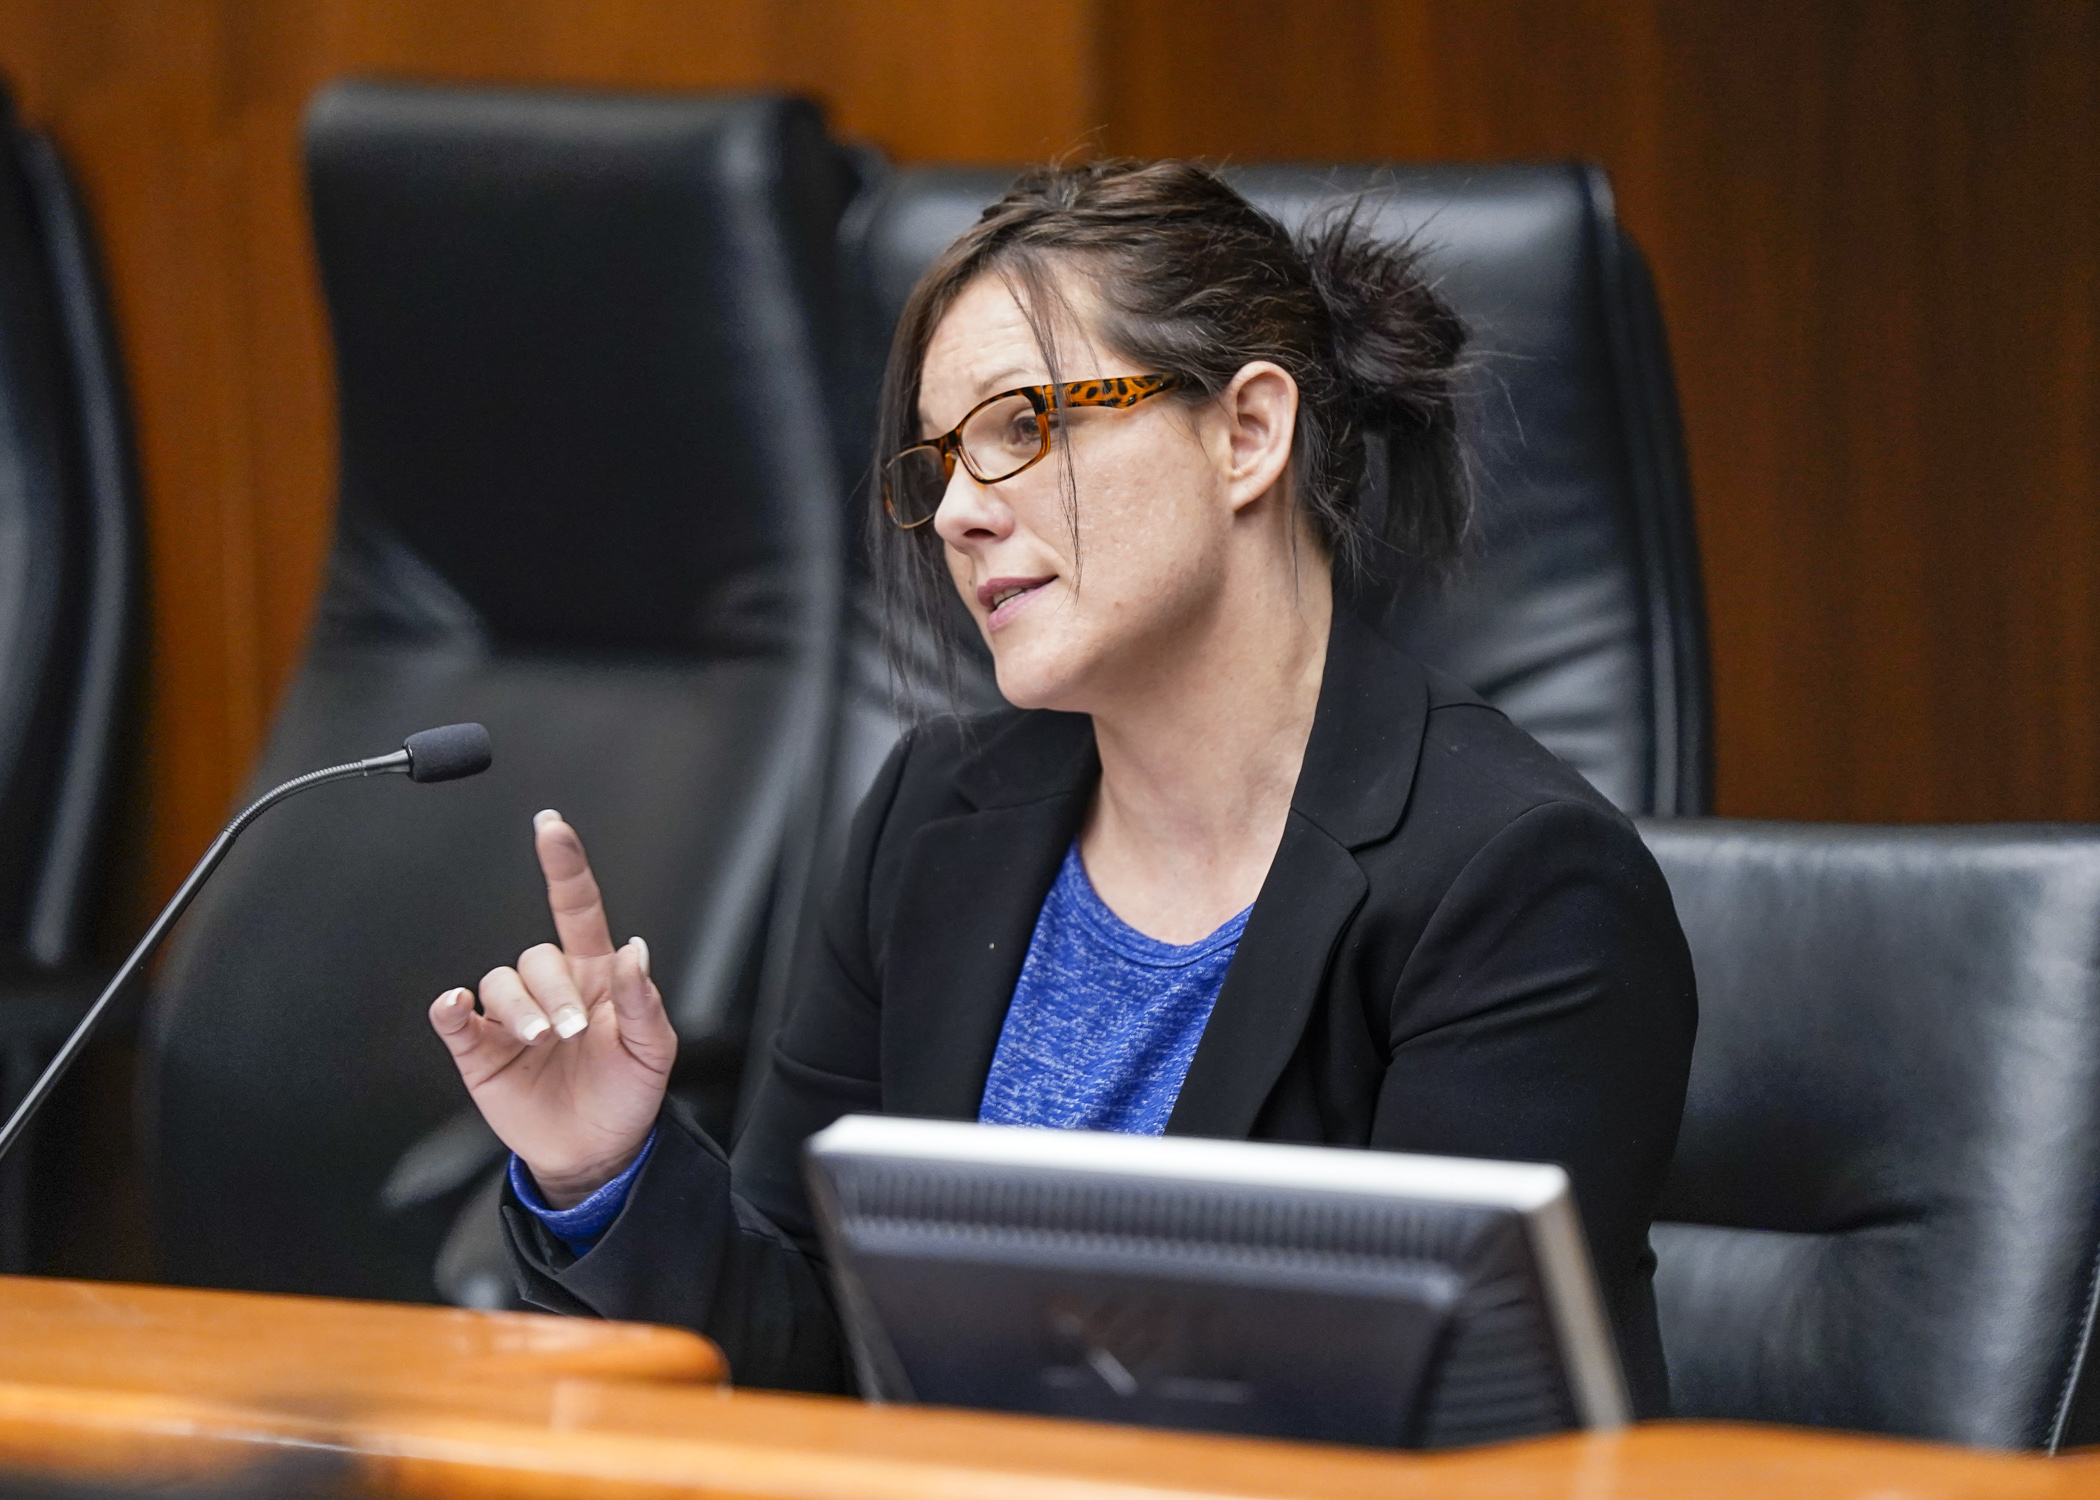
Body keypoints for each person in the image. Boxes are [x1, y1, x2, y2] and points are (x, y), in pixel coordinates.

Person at [426, 160, 1698, 1414]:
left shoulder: (1517, 881)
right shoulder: (931, 819)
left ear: (1247, 433)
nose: (961, 515)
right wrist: (610, 1171)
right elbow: (803, 1368)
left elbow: (1445, 1437)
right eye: (940, 463)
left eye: (1022, 427)